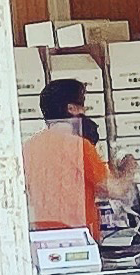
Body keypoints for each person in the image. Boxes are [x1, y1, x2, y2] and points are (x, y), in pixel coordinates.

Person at [19, 77, 120, 234]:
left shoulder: (29, 147)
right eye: (83, 105)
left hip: (40, 234)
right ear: (72, 108)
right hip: (79, 236)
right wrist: (129, 169)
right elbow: (114, 190)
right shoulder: (78, 146)